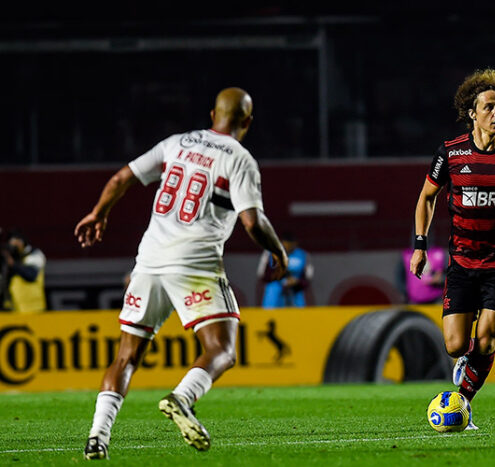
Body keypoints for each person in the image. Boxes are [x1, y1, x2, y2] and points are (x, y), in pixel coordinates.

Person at [74, 87, 288, 460]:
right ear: (248, 122)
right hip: (195, 263)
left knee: (126, 356)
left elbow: (122, 177)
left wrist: (99, 212)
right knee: (221, 349)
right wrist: (278, 250)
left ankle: (97, 436)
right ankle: (182, 398)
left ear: (212, 115)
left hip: (149, 260)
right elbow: (252, 221)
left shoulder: (176, 143)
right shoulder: (240, 159)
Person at [410, 68, 495, 427]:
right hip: (462, 263)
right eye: (489, 107)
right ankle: (465, 366)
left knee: (485, 341)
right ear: (472, 112)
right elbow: (426, 198)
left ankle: (462, 404)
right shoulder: (451, 153)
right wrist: (420, 246)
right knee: (456, 345)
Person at [257, 232, 313, 307]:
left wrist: (297, 282)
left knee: (299, 296)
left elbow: (308, 278)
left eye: (290, 245)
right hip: (275, 287)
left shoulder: (303, 255)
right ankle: (269, 314)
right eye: (285, 245)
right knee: (273, 289)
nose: (287, 248)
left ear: (295, 244)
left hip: (296, 289)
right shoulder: (270, 253)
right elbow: (262, 274)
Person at [0, 229, 47, 312]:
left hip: (33, 308)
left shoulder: (34, 254)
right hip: (12, 308)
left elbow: (31, 275)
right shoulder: (10, 257)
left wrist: (13, 264)